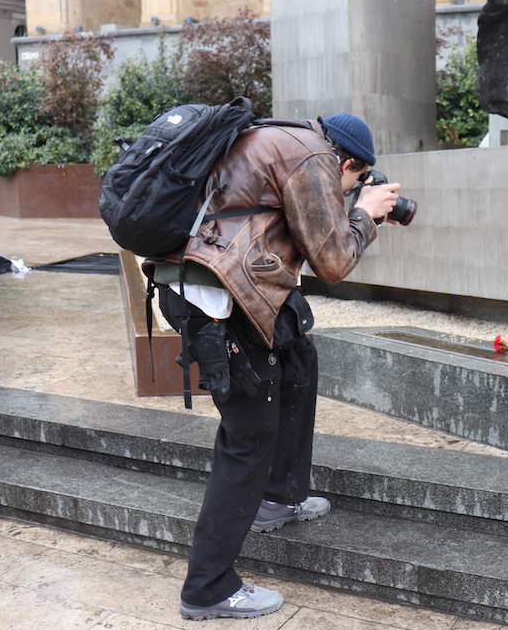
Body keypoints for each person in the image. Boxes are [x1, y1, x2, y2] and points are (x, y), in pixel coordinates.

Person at [146, 112, 400, 621]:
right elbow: (332, 260)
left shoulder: (276, 138)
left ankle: (280, 498)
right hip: (223, 299)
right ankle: (208, 587)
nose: (345, 190)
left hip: (221, 284)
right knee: (247, 437)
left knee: (299, 361)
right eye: (351, 183)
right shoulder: (312, 156)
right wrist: (366, 215)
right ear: (347, 162)